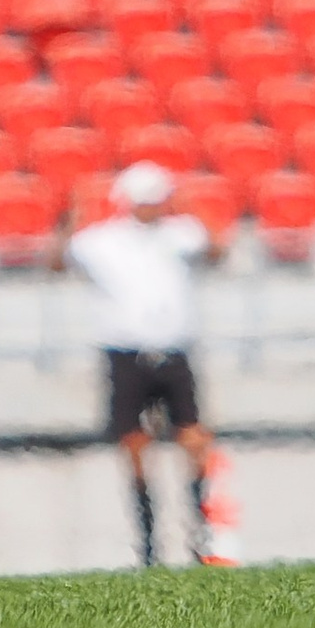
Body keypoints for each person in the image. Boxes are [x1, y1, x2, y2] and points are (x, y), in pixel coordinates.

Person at [67, 161, 226, 567]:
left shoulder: (180, 234)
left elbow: (216, 250)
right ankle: (148, 541)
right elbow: (59, 259)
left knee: (193, 439)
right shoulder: (102, 240)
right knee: (134, 445)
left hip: (173, 351)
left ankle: (199, 533)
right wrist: (72, 216)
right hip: (126, 353)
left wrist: (194, 209)